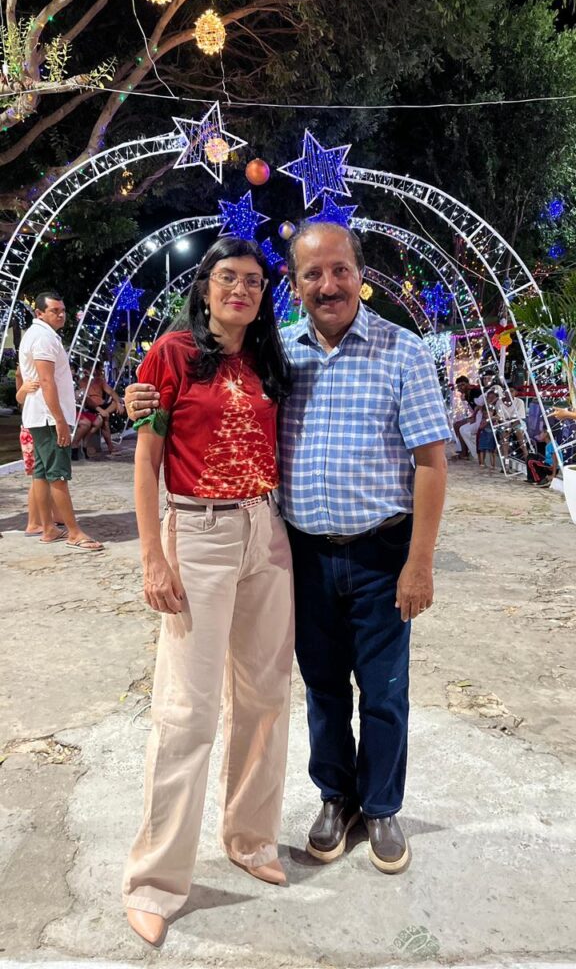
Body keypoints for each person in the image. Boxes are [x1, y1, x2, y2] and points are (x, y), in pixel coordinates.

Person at [125, 221, 450, 882]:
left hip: (368, 552)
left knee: (373, 692)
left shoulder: (392, 351)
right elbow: (164, 428)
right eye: (311, 274)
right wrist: (142, 401)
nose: (327, 284)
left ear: (361, 274)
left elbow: (431, 462)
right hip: (289, 548)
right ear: (295, 286)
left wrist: (420, 562)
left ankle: (376, 808)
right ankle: (332, 799)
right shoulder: (269, 351)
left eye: (339, 270)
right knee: (308, 690)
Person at [122, 237, 294, 947]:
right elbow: (146, 460)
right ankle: (155, 880)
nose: (241, 290)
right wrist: (153, 557)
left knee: (266, 697)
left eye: (253, 281)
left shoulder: (269, 359)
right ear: (205, 286)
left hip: (267, 533)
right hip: (198, 532)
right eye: (228, 277)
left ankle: (250, 838)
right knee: (187, 710)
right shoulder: (171, 354)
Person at [18, 291, 104, 551]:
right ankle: (74, 533)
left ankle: (48, 528)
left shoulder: (37, 335)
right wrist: (60, 419)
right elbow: (46, 381)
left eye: (63, 310)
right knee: (58, 475)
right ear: (40, 313)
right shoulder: (43, 338)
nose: (61, 315)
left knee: (42, 473)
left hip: (40, 415)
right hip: (47, 416)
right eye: (54, 310)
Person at [15, 368, 64, 534]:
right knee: (40, 476)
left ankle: (54, 515)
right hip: (35, 427)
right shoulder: (31, 373)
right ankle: (34, 521)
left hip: (37, 425)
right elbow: (19, 396)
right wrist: (23, 388)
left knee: (46, 475)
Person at [77, 361, 124, 456]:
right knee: (105, 420)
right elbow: (87, 399)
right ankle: (110, 447)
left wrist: (119, 403)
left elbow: (111, 392)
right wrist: (100, 410)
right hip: (91, 406)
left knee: (115, 403)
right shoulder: (82, 382)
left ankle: (102, 413)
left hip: (103, 406)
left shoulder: (100, 381)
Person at [452, 375, 482, 458]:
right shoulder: (467, 393)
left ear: (467, 384)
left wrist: (474, 417)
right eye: (459, 386)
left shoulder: (475, 391)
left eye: (462, 385)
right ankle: (463, 449)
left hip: (480, 417)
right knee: (456, 425)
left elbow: (480, 406)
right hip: (476, 415)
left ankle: (464, 452)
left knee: (459, 426)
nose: (460, 388)